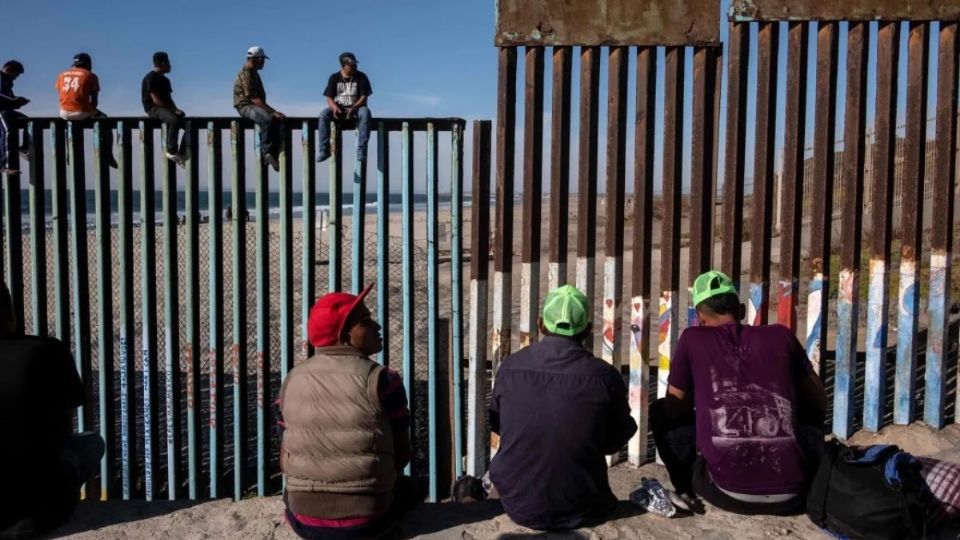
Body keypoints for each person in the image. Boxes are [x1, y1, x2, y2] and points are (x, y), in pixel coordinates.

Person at [454, 285, 638, 530]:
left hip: (518, 505)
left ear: (541, 324)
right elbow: (616, 438)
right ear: (588, 330)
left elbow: (500, 426)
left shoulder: (511, 367)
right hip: (585, 505)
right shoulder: (604, 376)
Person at [649, 270, 827, 516]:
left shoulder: (693, 339)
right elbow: (819, 401)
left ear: (700, 317)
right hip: (795, 494)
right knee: (809, 408)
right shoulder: (781, 335)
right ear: (741, 311)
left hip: (726, 492)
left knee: (659, 410)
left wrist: (701, 404)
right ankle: (808, 469)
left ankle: (687, 488)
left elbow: (672, 408)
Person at [279, 283, 422, 539]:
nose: (377, 326)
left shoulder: (291, 380)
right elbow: (402, 456)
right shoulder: (383, 380)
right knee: (414, 489)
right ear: (343, 335)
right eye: (365, 320)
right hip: (366, 520)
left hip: (303, 520)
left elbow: (284, 459)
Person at [0, 281, 105, 539]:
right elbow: (62, 428)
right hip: (41, 512)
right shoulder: (47, 350)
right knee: (91, 443)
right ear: (10, 314)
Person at [56, 53, 117, 168]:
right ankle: (108, 154)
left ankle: (69, 154)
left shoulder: (61, 75)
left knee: (70, 125)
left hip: (63, 112)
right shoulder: (91, 76)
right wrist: (89, 110)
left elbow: (62, 94)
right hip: (81, 111)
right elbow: (94, 102)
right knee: (105, 120)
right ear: (88, 64)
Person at [234, 46, 284, 172]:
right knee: (267, 119)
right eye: (263, 60)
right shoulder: (246, 73)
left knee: (276, 120)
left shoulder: (254, 73)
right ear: (259, 59)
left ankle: (274, 151)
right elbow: (254, 99)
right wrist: (273, 111)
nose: (264, 63)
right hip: (244, 106)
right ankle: (267, 153)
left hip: (254, 105)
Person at [317, 52, 372, 163]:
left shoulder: (361, 77)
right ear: (343, 66)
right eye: (351, 65)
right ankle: (324, 150)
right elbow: (329, 97)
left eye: (355, 64)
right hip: (339, 108)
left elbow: (364, 97)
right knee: (323, 115)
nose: (354, 67)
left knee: (366, 112)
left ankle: (361, 150)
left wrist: (354, 107)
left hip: (357, 108)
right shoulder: (334, 77)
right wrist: (334, 107)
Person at [142, 51, 187, 166]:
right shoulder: (151, 77)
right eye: (168, 62)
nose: (170, 65)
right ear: (162, 63)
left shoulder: (166, 81)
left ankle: (181, 152)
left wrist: (176, 109)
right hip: (153, 108)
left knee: (187, 123)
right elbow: (155, 100)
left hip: (165, 108)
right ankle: (171, 150)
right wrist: (173, 111)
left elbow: (169, 100)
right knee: (174, 120)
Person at [0, 60, 30, 175]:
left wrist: (19, 101)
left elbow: (9, 99)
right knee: (8, 132)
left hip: (7, 111)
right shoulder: (1, 78)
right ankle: (6, 165)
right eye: (15, 75)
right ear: (9, 70)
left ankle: (24, 148)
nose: (15, 78)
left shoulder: (7, 82)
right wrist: (16, 101)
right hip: (2, 112)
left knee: (28, 122)